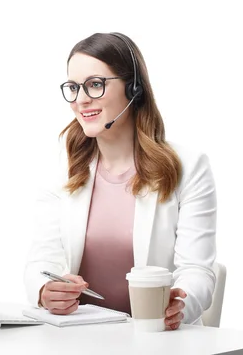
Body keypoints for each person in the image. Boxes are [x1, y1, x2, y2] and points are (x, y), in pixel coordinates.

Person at [24, 32, 217, 330]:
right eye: (73, 88)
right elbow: (41, 263)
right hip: (81, 339)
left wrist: (182, 304)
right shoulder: (62, 169)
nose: (81, 99)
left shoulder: (188, 166)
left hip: (157, 340)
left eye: (95, 84)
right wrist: (44, 290)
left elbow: (197, 270)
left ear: (134, 88)